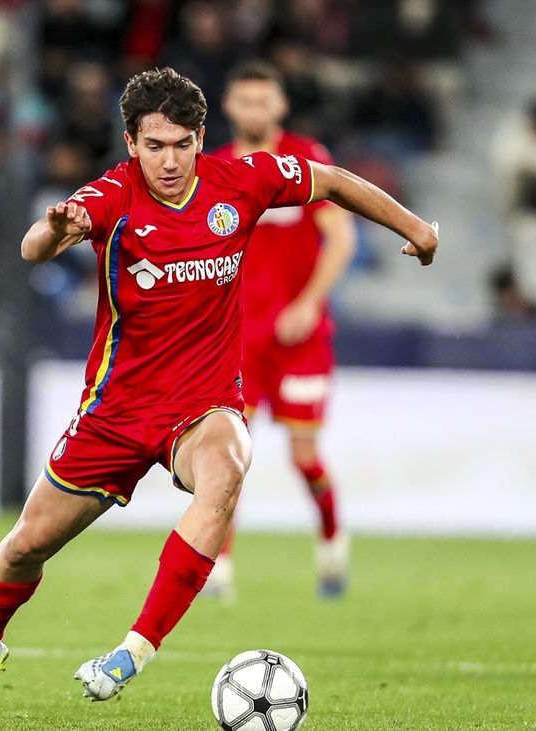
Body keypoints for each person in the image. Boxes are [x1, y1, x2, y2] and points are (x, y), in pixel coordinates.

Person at [0, 67, 437, 721]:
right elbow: (31, 249)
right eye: (154, 145)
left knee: (228, 465)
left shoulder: (241, 182)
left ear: (201, 139)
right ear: (131, 142)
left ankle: (133, 650)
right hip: (115, 412)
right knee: (24, 547)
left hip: (203, 404)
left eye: (182, 144)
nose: (168, 160)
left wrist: (415, 227)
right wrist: (55, 227)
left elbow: (331, 181)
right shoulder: (111, 195)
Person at [210, 61, 358, 599]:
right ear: (229, 107)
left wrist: (310, 302)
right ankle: (218, 567)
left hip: (300, 337)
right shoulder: (214, 169)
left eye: (263, 100)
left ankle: (332, 537)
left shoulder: (306, 159)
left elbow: (342, 238)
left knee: (304, 457)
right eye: (244, 100)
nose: (254, 110)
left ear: (280, 105)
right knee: (227, 456)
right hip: (237, 340)